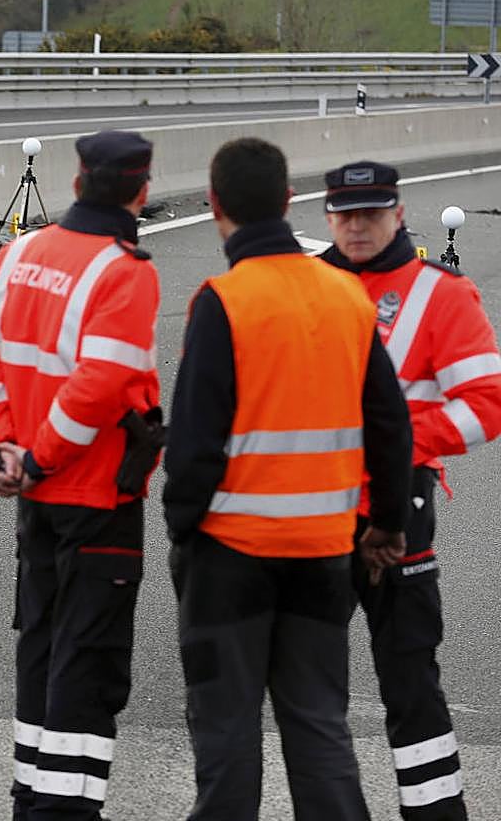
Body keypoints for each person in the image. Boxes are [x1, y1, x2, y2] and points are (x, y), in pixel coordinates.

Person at [162, 137, 414, 821]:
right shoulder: (346, 297)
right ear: (290, 202)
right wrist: (387, 525)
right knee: (319, 731)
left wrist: (182, 531)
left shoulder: (224, 300)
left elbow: (193, 447)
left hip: (228, 556)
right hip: (324, 556)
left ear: (215, 206)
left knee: (228, 741)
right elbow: (392, 428)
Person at [0, 130, 160, 821]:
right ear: (140, 191)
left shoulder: (19, 255)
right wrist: (41, 457)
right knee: (90, 666)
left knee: (41, 653)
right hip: (96, 498)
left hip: (34, 500)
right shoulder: (125, 271)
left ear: (76, 183)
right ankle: (64, 813)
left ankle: (30, 801)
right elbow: (99, 387)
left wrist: (6, 452)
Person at [320, 161, 501, 821]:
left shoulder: (439, 294)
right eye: (346, 214)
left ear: (397, 213)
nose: (359, 226)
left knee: (410, 682)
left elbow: (485, 403)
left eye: (371, 212)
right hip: (314, 516)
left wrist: (400, 442)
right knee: (311, 688)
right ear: (329, 218)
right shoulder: (309, 288)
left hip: (401, 513)